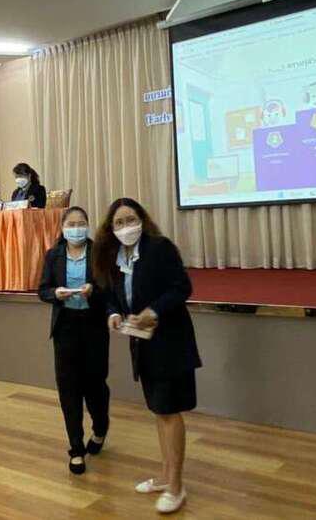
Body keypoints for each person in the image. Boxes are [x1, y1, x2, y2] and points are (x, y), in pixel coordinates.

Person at [93, 198, 201, 515]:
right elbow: (110, 296)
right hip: (142, 344)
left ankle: (177, 487)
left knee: (169, 411)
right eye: (119, 222)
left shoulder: (159, 248)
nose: (126, 227)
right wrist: (113, 314)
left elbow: (182, 287)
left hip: (170, 342)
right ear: (110, 229)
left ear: (142, 219)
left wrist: (154, 311)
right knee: (159, 411)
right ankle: (167, 477)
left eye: (131, 219)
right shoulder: (114, 257)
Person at [39, 207, 110, 475]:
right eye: (71, 224)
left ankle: (100, 427)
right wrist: (55, 293)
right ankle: (76, 449)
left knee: (95, 386)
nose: (76, 228)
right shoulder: (53, 255)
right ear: (62, 228)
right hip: (65, 327)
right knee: (68, 389)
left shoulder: (99, 253)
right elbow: (42, 289)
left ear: (88, 225)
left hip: (93, 327)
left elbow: (110, 288)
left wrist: (94, 290)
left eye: (81, 223)